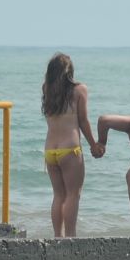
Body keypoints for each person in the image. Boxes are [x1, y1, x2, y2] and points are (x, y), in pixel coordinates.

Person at [40, 54, 93, 237]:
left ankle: (57, 236)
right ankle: (71, 237)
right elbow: (84, 121)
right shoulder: (79, 90)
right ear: (69, 71)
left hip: (50, 150)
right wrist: (94, 144)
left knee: (58, 195)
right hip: (70, 149)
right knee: (73, 195)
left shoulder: (46, 88)